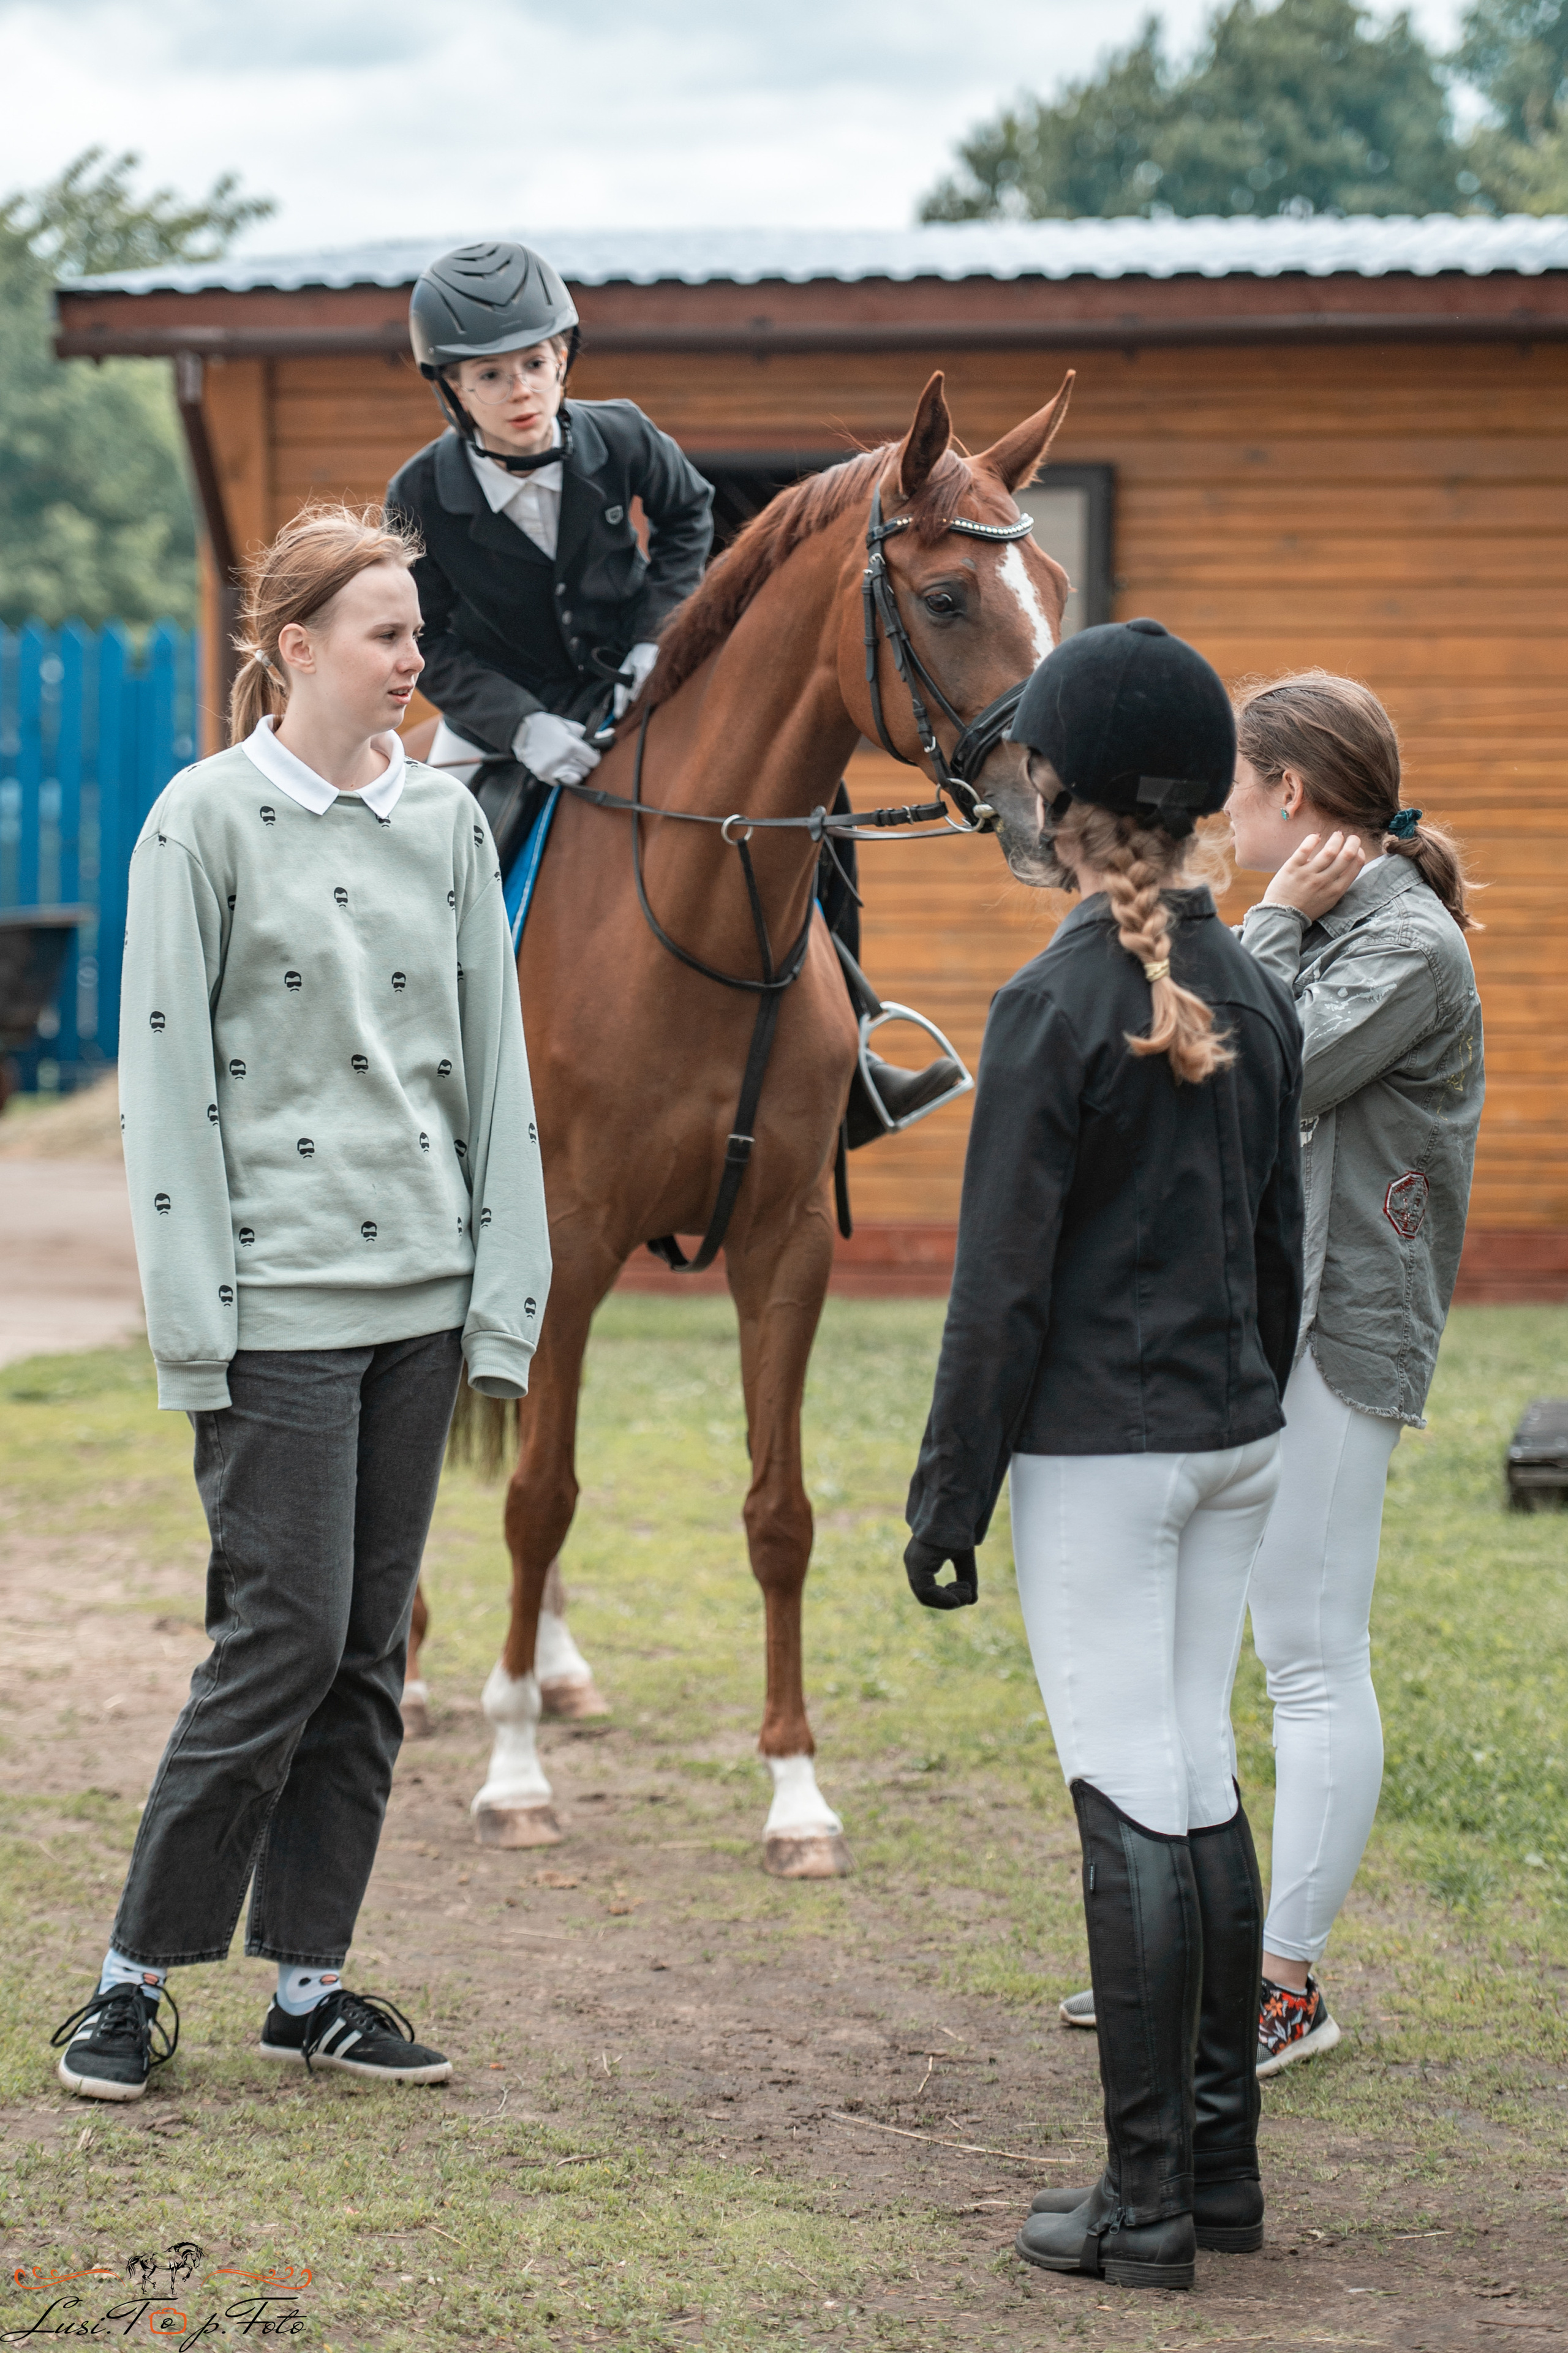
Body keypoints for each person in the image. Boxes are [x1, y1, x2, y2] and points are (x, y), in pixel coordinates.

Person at [51, 505, 551, 2101]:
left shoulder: (450, 827)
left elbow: (498, 1082)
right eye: (390, 635)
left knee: (366, 1654)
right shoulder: (201, 822)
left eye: (417, 636)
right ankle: (133, 1981)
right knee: (275, 1640)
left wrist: (501, 1308)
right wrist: (195, 1323)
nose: (416, 662)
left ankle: (310, 1984)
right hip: (274, 1310)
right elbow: (168, 1096)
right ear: (296, 647)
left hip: (420, 1307)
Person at [904, 617, 1305, 2291]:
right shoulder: (1258, 990)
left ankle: (1143, 2210)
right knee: (1198, 1778)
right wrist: (1242, 1405)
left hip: (1103, 1456)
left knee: (1129, 1788)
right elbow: (1282, 1258)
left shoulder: (1051, 1004)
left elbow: (999, 1292)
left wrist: (948, 1500)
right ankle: (1216, 2174)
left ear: (1061, 810)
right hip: (1232, 1442)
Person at [386, 238, 965, 1139]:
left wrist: (661, 643)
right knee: (436, 838)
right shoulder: (419, 491)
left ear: (564, 355)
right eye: (491, 377)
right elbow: (434, 642)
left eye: (535, 364)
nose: (522, 391)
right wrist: (520, 724)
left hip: (645, 683)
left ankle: (854, 1042)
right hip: (503, 714)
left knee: (808, 806)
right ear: (452, 390)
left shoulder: (619, 434)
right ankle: (420, 1064)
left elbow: (692, 514)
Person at [1230, 672, 1482, 2073]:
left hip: (1343, 1332)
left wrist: (1264, 927)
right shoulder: (1339, 920)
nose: (1219, 808)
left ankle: (1285, 1990)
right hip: (1266, 1319)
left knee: (1310, 1662)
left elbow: (1255, 1071)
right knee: (1227, 1651)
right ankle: (1209, 1955)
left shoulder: (1407, 949)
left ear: (1290, 798)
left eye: (1234, 782)